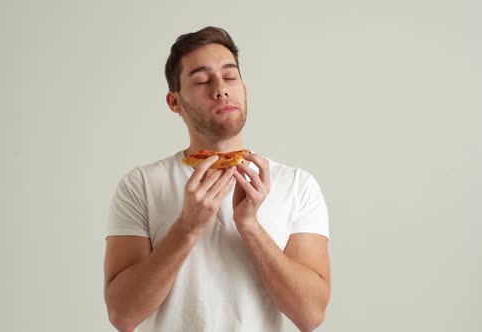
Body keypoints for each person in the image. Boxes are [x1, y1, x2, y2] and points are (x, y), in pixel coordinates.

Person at [104, 26, 331, 332]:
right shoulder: (140, 185)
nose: (220, 88)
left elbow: (310, 315)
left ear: (244, 89)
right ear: (175, 103)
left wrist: (250, 227)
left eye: (230, 76)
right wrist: (187, 228)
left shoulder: (298, 185)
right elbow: (123, 315)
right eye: (201, 80)